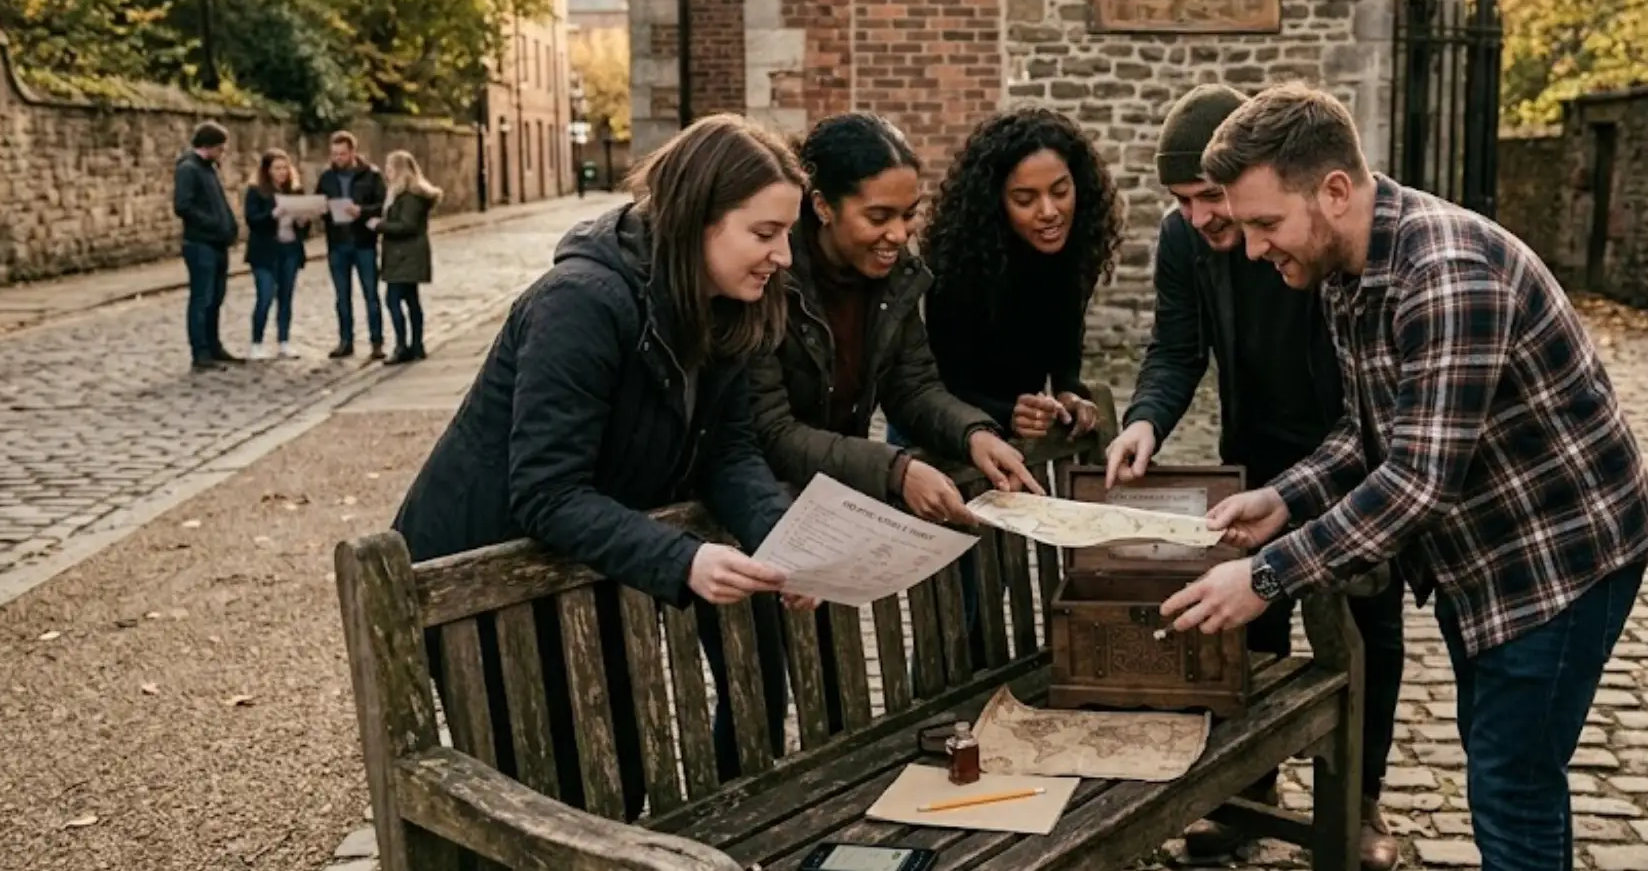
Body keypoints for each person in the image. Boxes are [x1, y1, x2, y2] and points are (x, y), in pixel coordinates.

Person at [1159, 82, 1648, 871]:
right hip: (1491, 553)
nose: (1254, 248)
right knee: (1504, 765)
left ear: (1334, 190)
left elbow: (1417, 482)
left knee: (1513, 784)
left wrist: (1265, 576)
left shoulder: (1447, 273)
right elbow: (1369, 430)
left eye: (1266, 223)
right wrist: (1281, 497)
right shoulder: (1344, 269)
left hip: (1564, 555)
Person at [391, 113, 817, 815]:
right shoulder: (580, 303)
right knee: (547, 801)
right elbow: (547, 491)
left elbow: (730, 451)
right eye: (765, 234)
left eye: (788, 234)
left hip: (589, 571)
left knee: (616, 784)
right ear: (695, 219)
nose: (785, 257)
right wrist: (684, 560)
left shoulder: (730, 306)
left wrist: (785, 543)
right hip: (481, 584)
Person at [1103, 85, 1404, 869]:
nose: (1204, 218)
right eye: (1184, 200)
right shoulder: (1184, 241)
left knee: (1365, 633)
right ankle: (1251, 793)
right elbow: (1176, 350)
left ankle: (1359, 802)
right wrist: (1144, 421)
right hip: (1257, 457)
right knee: (1250, 628)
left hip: (1350, 455)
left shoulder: (1307, 227)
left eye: (1213, 199)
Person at [739, 111, 1045, 761]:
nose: (899, 234)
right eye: (879, 217)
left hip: (828, 510)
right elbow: (769, 430)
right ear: (820, 205)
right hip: (748, 508)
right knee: (752, 703)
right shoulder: (767, 277)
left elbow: (914, 385)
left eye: (910, 214)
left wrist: (973, 434)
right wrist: (896, 469)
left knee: (837, 702)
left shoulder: (898, 276)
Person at [920, 107, 1124, 442]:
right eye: (1025, 199)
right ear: (996, 202)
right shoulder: (957, 267)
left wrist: (1068, 393)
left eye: (1060, 192)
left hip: (1022, 432)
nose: (1049, 212)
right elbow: (946, 385)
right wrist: (1009, 414)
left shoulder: (1075, 249)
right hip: (942, 432)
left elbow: (1065, 350)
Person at [315, 131, 388, 361]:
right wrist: (323, 209)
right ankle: (345, 341)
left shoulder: (371, 175)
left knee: (371, 294)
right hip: (337, 243)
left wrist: (362, 211)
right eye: (334, 154)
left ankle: (377, 342)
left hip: (363, 242)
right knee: (341, 296)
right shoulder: (327, 178)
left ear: (353, 153)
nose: (338, 158)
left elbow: (383, 205)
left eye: (342, 154)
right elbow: (318, 202)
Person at [174, 120, 241, 370]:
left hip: (217, 243)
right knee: (202, 298)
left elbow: (217, 202)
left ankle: (214, 346)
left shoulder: (208, 168)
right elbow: (183, 206)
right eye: (220, 148)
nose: (222, 153)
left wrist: (229, 225)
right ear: (210, 145)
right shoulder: (188, 168)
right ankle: (200, 352)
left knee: (216, 297)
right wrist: (214, 224)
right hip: (200, 243)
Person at [370, 150, 441, 365]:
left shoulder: (410, 196)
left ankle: (403, 346)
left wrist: (379, 226)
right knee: (411, 301)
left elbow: (407, 225)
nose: (387, 173)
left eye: (390, 169)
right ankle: (416, 345)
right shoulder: (406, 194)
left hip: (405, 255)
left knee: (393, 300)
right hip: (404, 255)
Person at [243, 149, 310, 360]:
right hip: (265, 252)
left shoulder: (296, 192)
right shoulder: (256, 192)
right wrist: (273, 214)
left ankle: (284, 341)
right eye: (277, 168)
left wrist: (303, 222)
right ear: (267, 170)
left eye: (285, 168)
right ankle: (257, 342)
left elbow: (303, 230)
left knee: (286, 297)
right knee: (265, 295)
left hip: (289, 249)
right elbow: (252, 220)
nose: (282, 172)